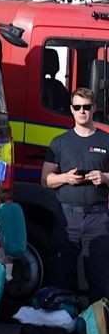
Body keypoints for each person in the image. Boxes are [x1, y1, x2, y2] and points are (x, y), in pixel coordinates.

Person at [41, 87, 109, 302]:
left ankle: (98, 332)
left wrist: (105, 177)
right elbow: (46, 179)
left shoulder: (105, 140)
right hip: (67, 218)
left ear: (94, 109)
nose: (82, 111)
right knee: (62, 279)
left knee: (101, 280)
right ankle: (64, 330)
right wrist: (66, 178)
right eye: (77, 107)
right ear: (71, 109)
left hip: (98, 217)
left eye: (87, 107)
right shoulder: (59, 142)